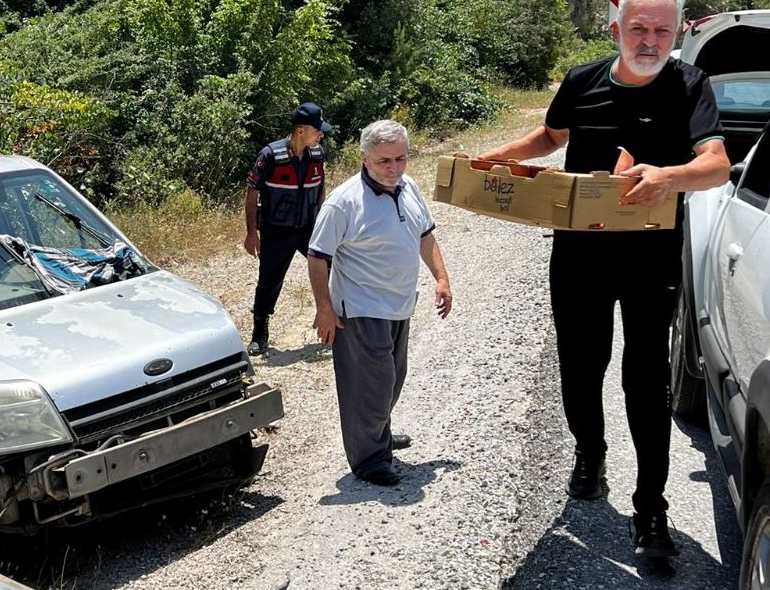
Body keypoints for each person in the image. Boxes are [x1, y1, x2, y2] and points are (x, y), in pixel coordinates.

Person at [478, 0, 729, 557]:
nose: (649, 40)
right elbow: (551, 135)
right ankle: (590, 451)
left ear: (678, 31)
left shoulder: (691, 85)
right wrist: (503, 156)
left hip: (651, 260)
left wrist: (670, 177)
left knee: (646, 382)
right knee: (580, 368)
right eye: (638, 28)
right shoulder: (581, 80)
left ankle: (651, 509)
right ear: (616, 29)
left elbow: (717, 165)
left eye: (662, 30)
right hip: (579, 257)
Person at [307, 120, 452, 486]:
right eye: (384, 161)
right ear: (365, 158)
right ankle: (369, 460)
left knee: (391, 379)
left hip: (399, 304)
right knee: (371, 384)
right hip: (360, 307)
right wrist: (324, 308)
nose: (394, 168)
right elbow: (317, 257)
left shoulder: (409, 187)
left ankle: (377, 437)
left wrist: (441, 278)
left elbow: (425, 235)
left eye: (400, 159)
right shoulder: (344, 202)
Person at [244, 102, 331, 356]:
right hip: (277, 231)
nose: (321, 135)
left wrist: (324, 223)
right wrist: (252, 232)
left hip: (309, 228)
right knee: (269, 281)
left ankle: (336, 317)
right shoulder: (270, 155)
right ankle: (259, 332)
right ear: (301, 131)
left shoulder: (317, 154)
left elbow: (321, 188)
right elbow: (252, 193)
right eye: (318, 130)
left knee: (333, 266)